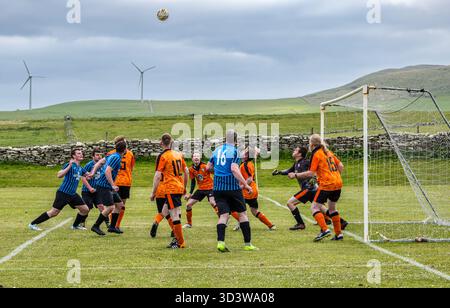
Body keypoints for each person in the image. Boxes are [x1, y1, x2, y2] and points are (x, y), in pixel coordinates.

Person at [272, 147, 348, 231]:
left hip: (308, 189)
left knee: (290, 203)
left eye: (295, 150)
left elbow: (314, 170)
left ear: (300, 154)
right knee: (322, 208)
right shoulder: (296, 163)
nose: (293, 151)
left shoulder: (306, 162)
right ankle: (341, 221)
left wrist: (314, 178)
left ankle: (300, 224)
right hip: (311, 190)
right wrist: (279, 172)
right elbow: (289, 171)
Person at [207, 130, 258, 252]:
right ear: (236, 140)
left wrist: (219, 172)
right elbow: (234, 169)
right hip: (233, 188)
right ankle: (247, 244)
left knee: (224, 215)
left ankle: (221, 243)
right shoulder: (235, 151)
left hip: (218, 188)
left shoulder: (216, 150)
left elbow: (208, 168)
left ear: (225, 138)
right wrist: (246, 185)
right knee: (242, 214)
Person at [294, 135, 345, 241]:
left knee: (314, 208)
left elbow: (310, 173)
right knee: (332, 209)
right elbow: (341, 166)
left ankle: (324, 229)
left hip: (326, 184)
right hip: (338, 183)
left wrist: (295, 175)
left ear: (312, 144)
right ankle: (339, 234)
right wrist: (335, 176)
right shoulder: (328, 152)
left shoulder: (316, 153)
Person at [28, 148, 90, 231]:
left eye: (81, 153)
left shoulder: (80, 168)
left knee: (85, 209)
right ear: (73, 156)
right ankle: (32, 224)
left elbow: (89, 175)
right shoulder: (69, 165)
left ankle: (75, 226)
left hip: (72, 194)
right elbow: (59, 175)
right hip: (63, 193)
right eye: (78, 153)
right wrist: (69, 166)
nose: (81, 154)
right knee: (54, 212)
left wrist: (99, 165)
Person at [150, 134, 189, 249]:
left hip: (171, 188)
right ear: (171, 142)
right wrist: (184, 186)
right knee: (164, 210)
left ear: (161, 143)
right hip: (178, 187)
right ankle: (176, 239)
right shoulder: (178, 155)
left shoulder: (163, 156)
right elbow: (186, 171)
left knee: (174, 214)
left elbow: (157, 175)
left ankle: (180, 242)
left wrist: (153, 192)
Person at [90, 141, 127, 236]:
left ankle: (112, 227)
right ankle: (96, 226)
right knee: (110, 207)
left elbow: (99, 162)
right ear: (125, 149)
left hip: (107, 186)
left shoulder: (112, 155)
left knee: (119, 204)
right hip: (104, 185)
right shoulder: (116, 157)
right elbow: (107, 171)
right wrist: (113, 185)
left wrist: (93, 172)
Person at [239, 148, 276, 231]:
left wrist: (240, 187)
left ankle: (242, 224)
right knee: (254, 211)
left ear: (247, 156)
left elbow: (249, 179)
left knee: (234, 208)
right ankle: (270, 225)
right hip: (253, 190)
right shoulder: (249, 163)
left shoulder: (245, 165)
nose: (242, 153)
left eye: (244, 153)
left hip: (247, 191)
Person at [107, 136, 136, 232]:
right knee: (119, 205)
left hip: (121, 182)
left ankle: (114, 225)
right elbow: (131, 168)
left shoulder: (111, 153)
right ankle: (115, 225)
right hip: (120, 182)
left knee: (118, 205)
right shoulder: (129, 153)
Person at [183, 152, 218, 229]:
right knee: (188, 205)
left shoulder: (205, 166)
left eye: (198, 156)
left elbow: (215, 172)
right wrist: (190, 193)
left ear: (200, 158)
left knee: (213, 202)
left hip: (210, 188)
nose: (196, 158)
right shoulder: (191, 169)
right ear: (192, 159)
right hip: (201, 189)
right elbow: (193, 182)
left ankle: (222, 220)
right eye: (194, 156)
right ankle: (189, 223)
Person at [80, 148, 108, 227]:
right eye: (97, 155)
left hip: (98, 191)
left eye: (100, 155)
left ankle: (108, 223)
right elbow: (83, 177)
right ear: (93, 156)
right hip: (87, 191)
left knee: (102, 207)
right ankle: (82, 223)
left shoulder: (103, 165)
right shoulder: (89, 165)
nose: (99, 156)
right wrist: (89, 188)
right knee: (87, 208)